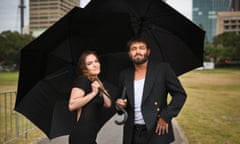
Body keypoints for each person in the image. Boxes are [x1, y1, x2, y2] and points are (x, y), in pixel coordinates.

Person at [116, 36, 187, 144]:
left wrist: (166, 116)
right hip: (132, 133)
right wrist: (119, 105)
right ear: (129, 53)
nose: (138, 51)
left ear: (148, 52)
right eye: (133, 49)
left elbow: (180, 95)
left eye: (141, 48)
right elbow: (120, 102)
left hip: (157, 129)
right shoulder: (124, 74)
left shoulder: (163, 69)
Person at [68, 50, 112, 144]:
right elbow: (72, 105)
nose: (95, 65)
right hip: (81, 136)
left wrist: (102, 89)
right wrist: (92, 94)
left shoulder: (96, 82)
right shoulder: (83, 80)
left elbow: (108, 104)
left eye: (96, 61)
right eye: (90, 63)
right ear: (85, 68)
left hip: (90, 135)